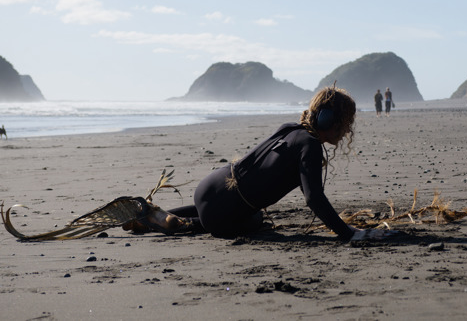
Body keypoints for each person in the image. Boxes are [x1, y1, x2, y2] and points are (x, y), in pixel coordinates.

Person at [124, 86, 389, 241]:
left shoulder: (290, 129)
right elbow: (314, 199)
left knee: (229, 206)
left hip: (210, 187)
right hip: (219, 214)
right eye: (346, 123)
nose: (347, 130)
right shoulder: (309, 147)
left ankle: (150, 213)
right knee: (253, 222)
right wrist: (349, 233)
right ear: (329, 121)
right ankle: (167, 222)